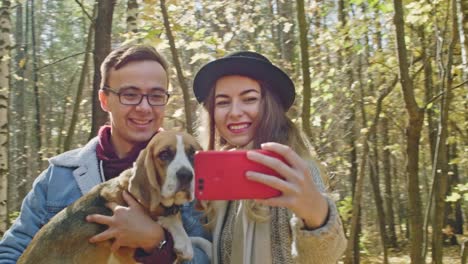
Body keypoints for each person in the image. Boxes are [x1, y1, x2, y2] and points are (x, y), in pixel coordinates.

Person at [0, 44, 210, 263]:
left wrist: (157, 243)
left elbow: (209, 258)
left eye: (156, 96)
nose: (144, 107)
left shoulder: (192, 175)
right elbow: (10, 253)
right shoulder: (58, 178)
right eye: (130, 94)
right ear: (104, 100)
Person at [192, 51, 347, 263]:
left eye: (249, 99)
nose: (235, 112)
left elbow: (327, 256)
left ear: (270, 106)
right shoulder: (215, 180)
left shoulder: (298, 169)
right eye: (222, 102)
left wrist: (316, 215)